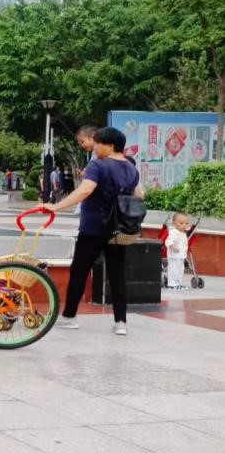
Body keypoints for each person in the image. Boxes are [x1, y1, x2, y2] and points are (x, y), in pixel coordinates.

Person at [47, 126, 144, 336]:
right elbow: (139, 195)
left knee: (79, 271)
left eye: (98, 143)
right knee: (117, 274)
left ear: (110, 145)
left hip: (93, 227)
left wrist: (56, 206)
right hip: (118, 229)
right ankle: (121, 322)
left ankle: (70, 316)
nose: (95, 147)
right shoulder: (131, 168)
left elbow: (85, 190)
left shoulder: (98, 165)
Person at [165, 212, 191, 291]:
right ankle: (172, 284)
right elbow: (168, 241)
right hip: (174, 256)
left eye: (186, 223)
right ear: (174, 223)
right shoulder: (174, 232)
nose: (184, 225)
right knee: (174, 270)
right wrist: (172, 246)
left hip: (181, 256)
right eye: (181, 223)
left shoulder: (182, 233)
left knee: (180, 270)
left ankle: (178, 283)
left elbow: (184, 244)